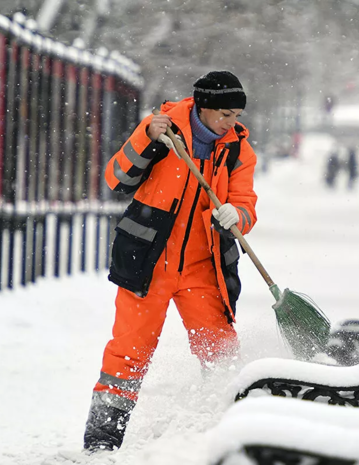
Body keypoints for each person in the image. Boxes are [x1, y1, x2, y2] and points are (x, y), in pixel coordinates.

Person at [83, 71, 258, 452]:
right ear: (205, 107)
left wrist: (236, 215)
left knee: (220, 352)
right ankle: (102, 440)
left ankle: (226, 430)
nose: (233, 123)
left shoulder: (237, 151)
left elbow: (246, 205)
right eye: (226, 114)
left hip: (204, 266)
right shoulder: (163, 131)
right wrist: (145, 137)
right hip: (148, 261)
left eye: (237, 117)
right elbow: (116, 179)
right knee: (129, 350)